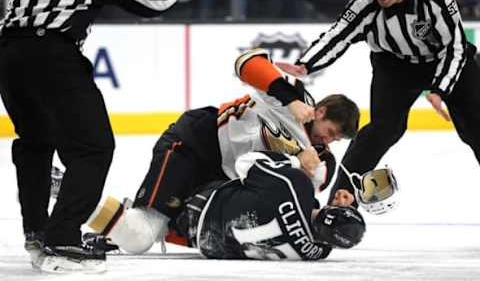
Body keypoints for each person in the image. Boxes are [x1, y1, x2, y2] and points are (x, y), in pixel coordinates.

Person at [86, 48, 360, 255]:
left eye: (337, 139)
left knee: (154, 232)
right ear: (320, 112)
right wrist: (289, 99)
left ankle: (110, 226)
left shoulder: (323, 162)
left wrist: (335, 207)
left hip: (218, 183)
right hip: (195, 144)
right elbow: (247, 62)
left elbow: (296, 205)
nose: (329, 141)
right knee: (143, 234)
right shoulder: (293, 97)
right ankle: (72, 195)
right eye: (331, 131)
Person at [0, 0, 190, 273]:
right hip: (52, 53)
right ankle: (62, 239)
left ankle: (36, 232)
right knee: (93, 148)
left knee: (35, 142)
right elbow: (153, 0)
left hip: (9, 53)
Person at [276, 0, 480, 206]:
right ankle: (342, 202)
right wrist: (306, 64)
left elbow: (456, 46)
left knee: (475, 127)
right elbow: (340, 33)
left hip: (448, 61)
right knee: (382, 131)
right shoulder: (365, 2)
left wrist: (440, 88)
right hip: (394, 66)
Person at [168, 150, 366, 260]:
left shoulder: (295, 185)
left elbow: (244, 162)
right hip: (205, 244)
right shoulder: (316, 253)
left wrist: (296, 161)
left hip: (199, 204)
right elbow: (319, 229)